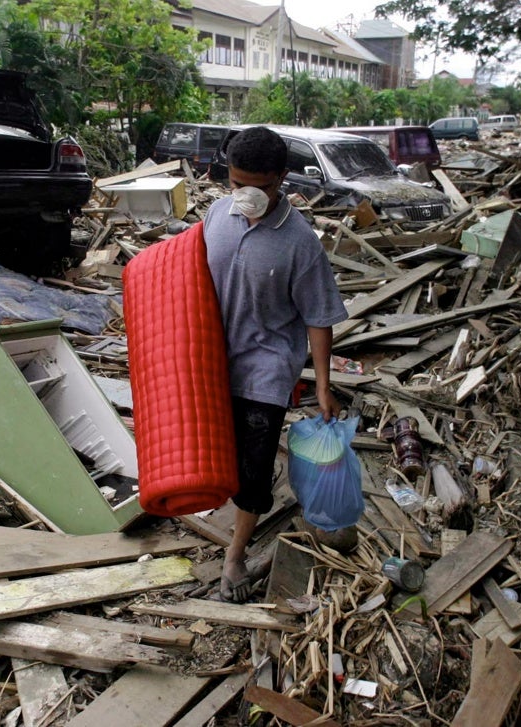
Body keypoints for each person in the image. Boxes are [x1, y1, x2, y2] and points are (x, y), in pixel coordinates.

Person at [202, 126, 348, 602]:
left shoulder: (300, 242)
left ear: (282, 178)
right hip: (210, 362)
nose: (245, 196)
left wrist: (323, 386)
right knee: (215, 452)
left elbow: (319, 317)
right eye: (235, 183)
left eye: (258, 187)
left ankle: (235, 554)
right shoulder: (216, 216)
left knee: (254, 468)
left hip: (266, 371)